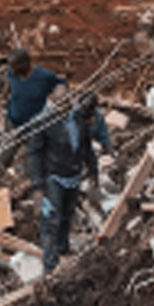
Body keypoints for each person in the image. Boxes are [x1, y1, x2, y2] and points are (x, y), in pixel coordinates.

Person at [26, 85, 110, 273]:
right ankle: (50, 267)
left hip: (73, 175)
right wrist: (37, 187)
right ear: (53, 102)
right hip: (53, 177)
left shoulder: (78, 116)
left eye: (68, 101)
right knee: (51, 221)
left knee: (67, 215)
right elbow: (33, 154)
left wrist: (93, 169)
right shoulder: (43, 121)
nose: (66, 106)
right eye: (61, 103)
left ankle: (63, 250)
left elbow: (86, 145)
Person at [5, 49, 64, 132]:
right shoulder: (12, 72)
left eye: (15, 66)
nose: (12, 70)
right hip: (12, 121)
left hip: (33, 127)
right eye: (11, 66)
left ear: (25, 63)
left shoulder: (43, 76)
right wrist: (5, 94)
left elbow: (60, 83)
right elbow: (9, 82)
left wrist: (58, 96)